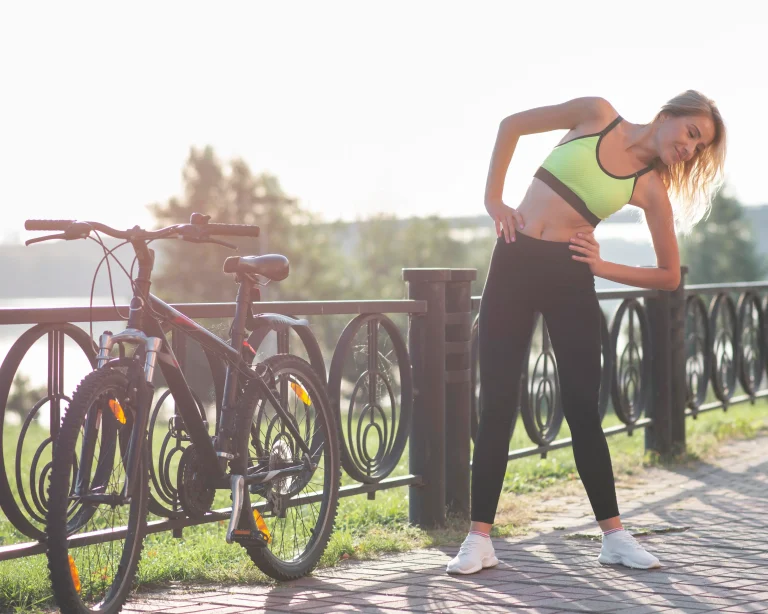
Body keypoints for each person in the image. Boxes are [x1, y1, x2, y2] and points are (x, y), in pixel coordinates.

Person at [447, 91, 726, 574]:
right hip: (513, 258)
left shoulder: (649, 187)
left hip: (571, 275)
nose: (690, 148)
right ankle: (478, 540)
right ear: (668, 115)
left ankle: (614, 537)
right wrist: (495, 200)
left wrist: (603, 265)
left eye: (699, 148)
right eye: (692, 134)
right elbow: (511, 124)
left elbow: (670, 275)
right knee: (496, 402)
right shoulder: (595, 113)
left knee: (581, 407)